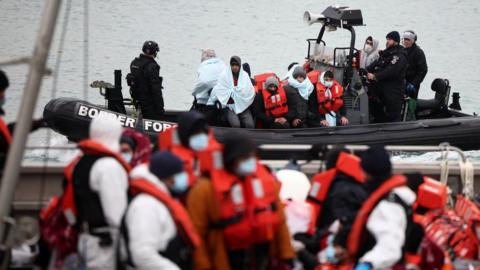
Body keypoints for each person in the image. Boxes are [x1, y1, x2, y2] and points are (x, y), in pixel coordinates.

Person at [186, 132, 295, 270]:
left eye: (251, 156)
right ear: (231, 159)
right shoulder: (204, 190)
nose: (250, 161)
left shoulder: (265, 182)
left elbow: (280, 220)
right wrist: (203, 266)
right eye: (244, 157)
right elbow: (196, 234)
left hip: (262, 256)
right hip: (225, 258)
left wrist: (286, 255)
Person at [122, 151, 201, 269]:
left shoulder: (162, 200)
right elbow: (143, 255)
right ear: (168, 177)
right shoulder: (146, 206)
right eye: (180, 174)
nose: (184, 178)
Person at [72, 115, 130, 270]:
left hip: (85, 238)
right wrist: (127, 250)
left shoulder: (82, 161)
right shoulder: (109, 166)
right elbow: (116, 215)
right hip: (104, 245)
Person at [345, 145, 416, 269]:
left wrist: (368, 263)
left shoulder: (388, 206)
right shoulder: (397, 194)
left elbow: (390, 246)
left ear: (367, 173)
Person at [158, 110, 222, 188]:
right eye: (196, 133)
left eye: (203, 133)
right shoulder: (168, 150)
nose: (201, 137)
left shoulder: (214, 150)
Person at [366, 31, 408, 123]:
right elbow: (375, 65)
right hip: (381, 91)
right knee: (375, 109)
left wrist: (375, 76)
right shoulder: (385, 53)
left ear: (396, 41)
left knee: (393, 116)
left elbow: (390, 71)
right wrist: (364, 70)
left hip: (393, 92)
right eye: (387, 39)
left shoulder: (399, 56)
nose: (387, 41)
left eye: (390, 40)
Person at [207, 56, 255, 128]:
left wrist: (238, 92)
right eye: (233, 65)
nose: (235, 67)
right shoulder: (224, 76)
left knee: (250, 125)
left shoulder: (245, 76)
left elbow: (249, 91)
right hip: (229, 106)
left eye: (237, 65)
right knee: (236, 125)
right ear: (230, 65)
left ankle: (247, 138)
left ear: (239, 66)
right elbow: (220, 90)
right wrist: (231, 93)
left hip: (243, 105)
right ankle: (235, 137)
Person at [127, 40, 164, 120]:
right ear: (154, 52)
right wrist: (160, 108)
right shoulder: (153, 66)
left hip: (136, 100)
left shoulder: (134, 62)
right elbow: (156, 89)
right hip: (148, 104)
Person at [192, 49, 226, 115]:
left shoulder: (203, 66)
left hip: (204, 101)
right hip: (220, 99)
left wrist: (194, 92)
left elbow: (202, 82)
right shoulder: (222, 64)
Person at [402, 30, 428, 99]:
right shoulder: (402, 50)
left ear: (413, 40)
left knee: (410, 105)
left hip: (412, 85)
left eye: (408, 40)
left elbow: (423, 70)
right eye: (404, 39)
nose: (406, 41)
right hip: (401, 83)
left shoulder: (418, 52)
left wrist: (413, 83)